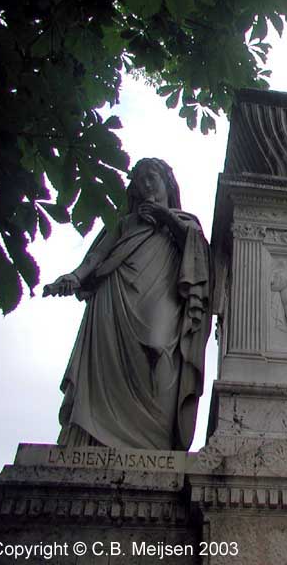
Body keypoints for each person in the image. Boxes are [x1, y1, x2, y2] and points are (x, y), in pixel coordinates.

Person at [43, 158, 211, 451]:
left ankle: (157, 443)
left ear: (167, 184)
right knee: (107, 367)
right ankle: (96, 438)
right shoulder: (124, 223)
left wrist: (165, 217)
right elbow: (96, 259)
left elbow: (198, 253)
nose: (146, 185)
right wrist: (73, 276)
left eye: (152, 178)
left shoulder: (184, 222)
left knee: (160, 349)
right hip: (115, 297)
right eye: (140, 180)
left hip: (162, 297)